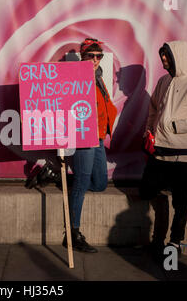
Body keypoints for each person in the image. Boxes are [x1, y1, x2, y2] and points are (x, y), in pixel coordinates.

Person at [140, 41, 187, 258]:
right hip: (159, 149)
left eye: (167, 56)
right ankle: (160, 237)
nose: (163, 59)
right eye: (162, 55)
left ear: (178, 57)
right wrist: (149, 131)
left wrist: (175, 126)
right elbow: (153, 109)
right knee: (148, 190)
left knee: (180, 199)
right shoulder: (163, 81)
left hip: (181, 153)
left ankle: (173, 241)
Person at [62, 38, 117, 253]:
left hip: (99, 137)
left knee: (100, 182)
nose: (95, 59)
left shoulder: (99, 78)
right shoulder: (76, 76)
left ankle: (58, 178)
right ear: (83, 56)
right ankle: (73, 234)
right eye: (91, 56)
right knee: (82, 183)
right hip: (84, 138)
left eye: (99, 56)